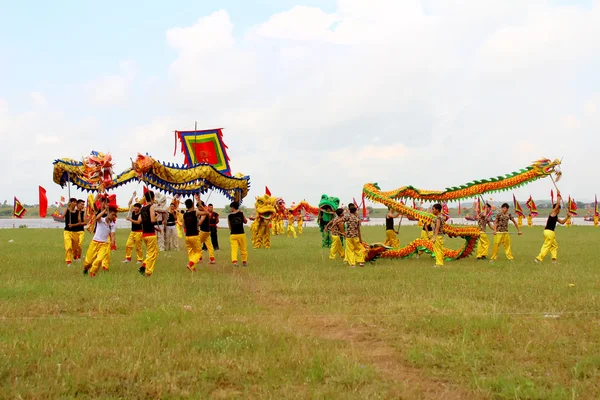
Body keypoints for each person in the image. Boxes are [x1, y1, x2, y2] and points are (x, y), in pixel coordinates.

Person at [82, 207, 117, 277]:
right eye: (113, 214)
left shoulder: (113, 225)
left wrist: (112, 242)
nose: (114, 217)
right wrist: (104, 210)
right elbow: (97, 218)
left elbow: (112, 235)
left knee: (99, 259)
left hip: (104, 244)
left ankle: (92, 273)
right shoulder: (101, 220)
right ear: (108, 213)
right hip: (95, 242)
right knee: (88, 262)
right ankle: (86, 269)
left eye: (115, 215)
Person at [535, 194, 569, 264]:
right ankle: (538, 259)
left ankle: (554, 260)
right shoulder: (552, 213)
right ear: (557, 209)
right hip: (549, 232)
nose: (559, 210)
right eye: (559, 209)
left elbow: (562, 222)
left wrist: (567, 217)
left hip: (550, 233)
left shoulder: (555, 216)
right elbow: (558, 204)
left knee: (554, 246)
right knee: (547, 246)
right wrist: (558, 196)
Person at [138, 191, 158, 276]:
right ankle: (147, 271)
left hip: (144, 234)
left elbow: (140, 221)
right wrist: (157, 217)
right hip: (150, 234)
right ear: (153, 198)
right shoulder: (151, 207)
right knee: (152, 254)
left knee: (155, 252)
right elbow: (153, 220)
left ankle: (145, 265)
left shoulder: (142, 208)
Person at [183, 199, 204, 272]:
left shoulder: (185, 214)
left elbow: (184, 225)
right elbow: (206, 213)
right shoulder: (196, 212)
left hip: (187, 236)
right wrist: (201, 206)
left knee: (191, 253)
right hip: (194, 235)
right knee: (198, 252)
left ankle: (193, 268)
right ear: (192, 204)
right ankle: (190, 264)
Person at [342, 203, 364, 267]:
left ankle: (352, 263)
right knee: (358, 249)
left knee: (349, 250)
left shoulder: (347, 216)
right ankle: (361, 262)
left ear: (349, 209)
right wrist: (360, 238)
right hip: (356, 236)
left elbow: (340, 221)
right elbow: (358, 228)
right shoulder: (357, 218)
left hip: (349, 236)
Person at [228, 201, 248, 266]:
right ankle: (244, 261)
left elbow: (230, 226)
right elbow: (245, 221)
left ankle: (234, 261)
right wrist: (242, 214)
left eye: (231, 207)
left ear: (233, 208)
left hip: (233, 234)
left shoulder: (229, 216)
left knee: (234, 249)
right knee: (243, 248)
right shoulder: (241, 214)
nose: (230, 209)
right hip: (241, 233)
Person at [196, 198, 215, 264]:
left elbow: (200, 223)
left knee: (197, 244)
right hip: (207, 231)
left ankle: (200, 258)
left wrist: (195, 224)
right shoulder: (206, 212)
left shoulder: (204, 214)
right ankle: (212, 259)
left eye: (198, 207)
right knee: (209, 245)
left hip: (203, 231)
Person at [61, 198, 79, 267]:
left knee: (75, 248)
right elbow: (62, 216)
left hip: (75, 231)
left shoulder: (77, 212)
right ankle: (68, 261)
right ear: (70, 203)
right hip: (67, 231)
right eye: (73, 202)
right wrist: (67, 207)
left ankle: (75, 257)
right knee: (68, 247)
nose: (75, 204)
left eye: (75, 202)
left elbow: (79, 222)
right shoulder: (67, 210)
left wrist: (73, 225)